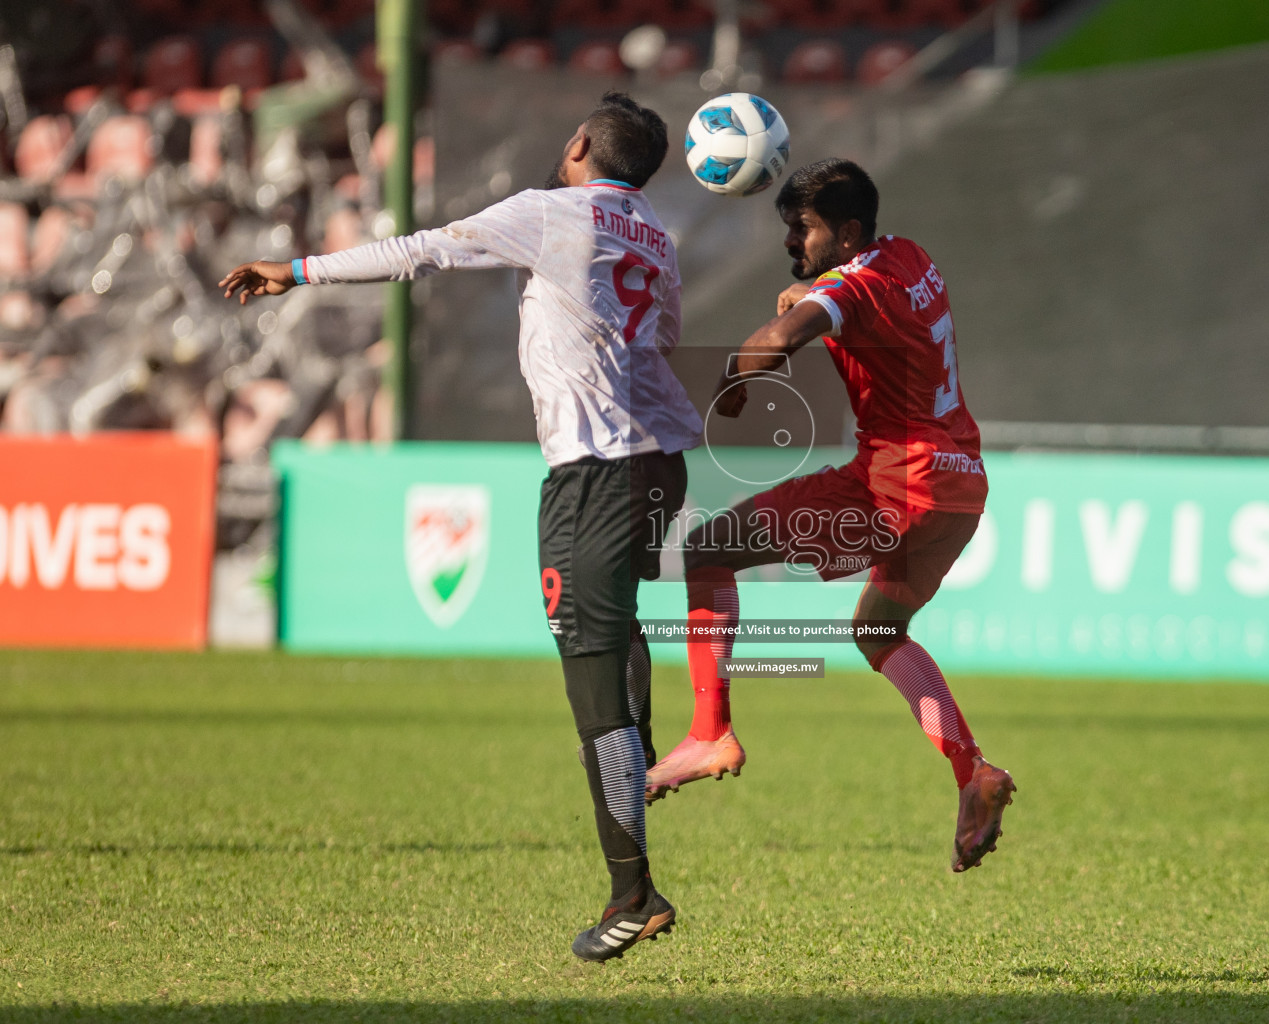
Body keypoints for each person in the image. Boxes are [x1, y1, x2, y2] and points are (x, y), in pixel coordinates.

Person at [220, 92, 701, 960]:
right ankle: (640, 743)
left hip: (593, 471)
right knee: (617, 630)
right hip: (661, 461)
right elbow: (664, 338)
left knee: (590, 691)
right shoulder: (658, 236)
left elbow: (419, 252)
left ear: (581, 140)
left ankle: (634, 894)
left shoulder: (551, 210)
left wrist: (293, 271)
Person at [645, 157, 1015, 872]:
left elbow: (779, 343)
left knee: (708, 550)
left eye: (802, 229)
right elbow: (862, 307)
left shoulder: (852, 284)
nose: (791, 241)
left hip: (894, 483)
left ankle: (709, 731)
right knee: (879, 631)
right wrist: (816, 293)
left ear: (846, 234)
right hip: (960, 487)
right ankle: (973, 773)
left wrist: (734, 376)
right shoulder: (908, 256)